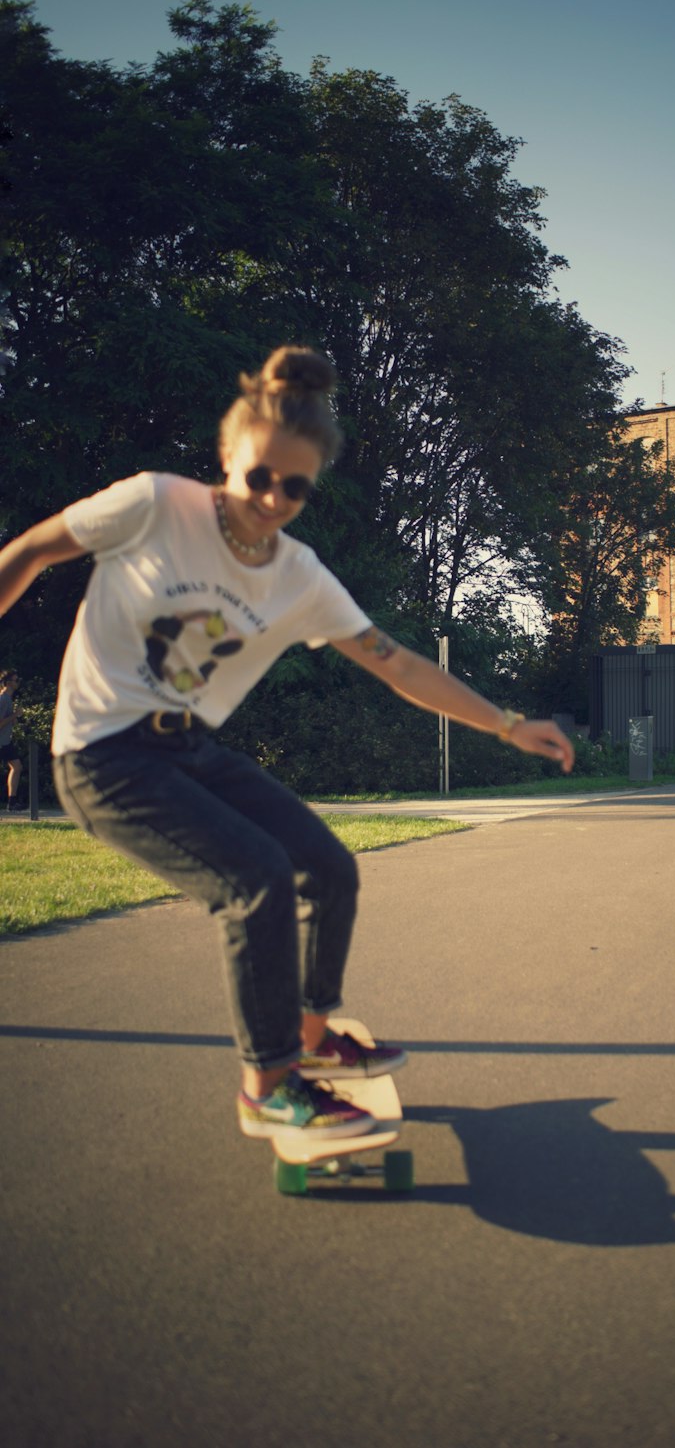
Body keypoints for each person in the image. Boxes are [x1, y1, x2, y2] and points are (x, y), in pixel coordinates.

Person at [0, 345, 574, 1144]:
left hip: (188, 750)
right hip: (100, 754)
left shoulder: (300, 577)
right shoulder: (154, 504)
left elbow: (399, 663)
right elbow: (29, 551)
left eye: (294, 487)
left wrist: (508, 723)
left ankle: (312, 1037)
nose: (272, 499)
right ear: (228, 459)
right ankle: (267, 1081)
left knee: (329, 867)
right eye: (257, 477)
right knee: (258, 880)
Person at [0, 669, 25, 811]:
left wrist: (14, 718)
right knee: (16, 766)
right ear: (8, 683)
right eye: (16, 680)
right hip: (1, 743)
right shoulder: (3, 699)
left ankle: (12, 802)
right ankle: (12, 802)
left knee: (17, 766)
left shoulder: (8, 699)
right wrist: (14, 715)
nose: (18, 683)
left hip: (5, 742)